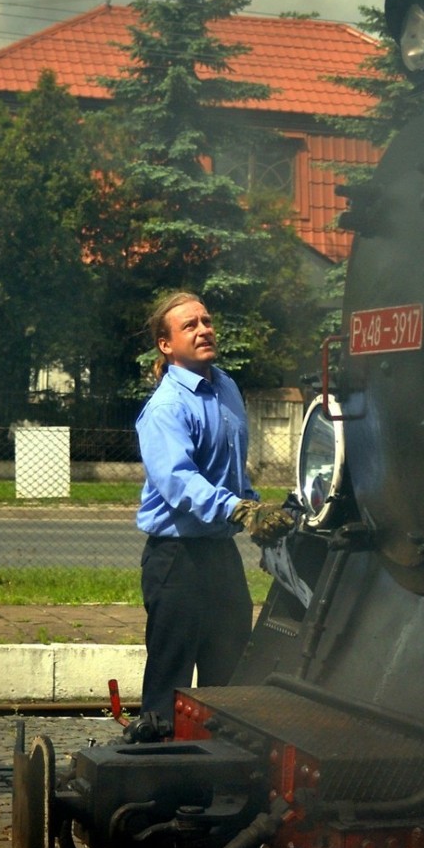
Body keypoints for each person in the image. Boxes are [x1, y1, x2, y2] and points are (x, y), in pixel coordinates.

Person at [134, 290, 293, 732]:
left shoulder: (225, 387)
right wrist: (239, 510)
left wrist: (256, 505)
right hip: (175, 560)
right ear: (166, 345)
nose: (204, 329)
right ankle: (160, 769)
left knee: (230, 677)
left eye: (206, 321)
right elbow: (179, 481)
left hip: (219, 558)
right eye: (190, 325)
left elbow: (228, 472)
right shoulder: (166, 407)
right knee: (170, 684)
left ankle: (221, 770)